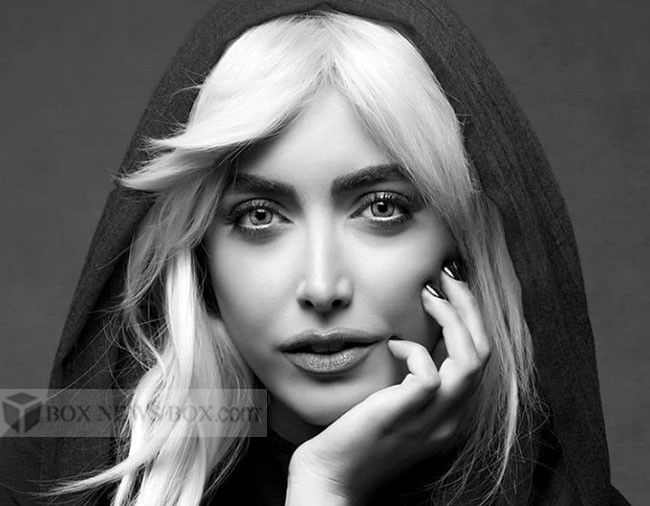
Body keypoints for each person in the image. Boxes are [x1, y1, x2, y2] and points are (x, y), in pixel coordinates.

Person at [0, 1, 631, 505]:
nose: (323, 286)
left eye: (381, 207)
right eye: (259, 216)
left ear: (461, 243)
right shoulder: (33, 462)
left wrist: (327, 485)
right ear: (200, 254)